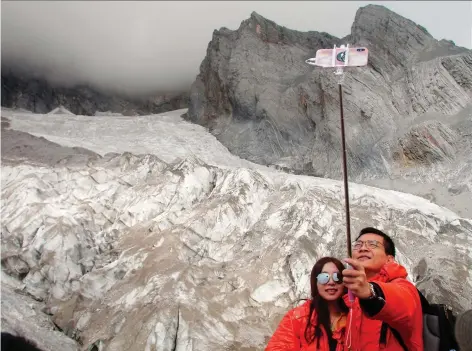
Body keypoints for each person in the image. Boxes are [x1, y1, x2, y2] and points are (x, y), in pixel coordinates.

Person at [341, 227, 423, 351]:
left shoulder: (404, 287)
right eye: (358, 245)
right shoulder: (352, 296)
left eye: (373, 244)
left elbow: (402, 303)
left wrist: (371, 292)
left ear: (389, 259)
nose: (363, 248)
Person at [265, 257, 349, 351]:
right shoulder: (298, 318)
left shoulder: (356, 315)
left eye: (337, 277)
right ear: (315, 282)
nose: (331, 282)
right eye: (324, 278)